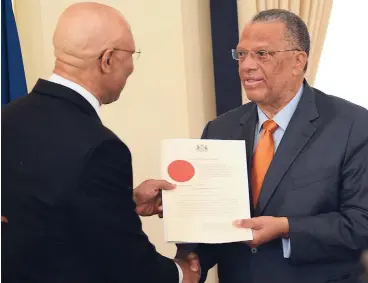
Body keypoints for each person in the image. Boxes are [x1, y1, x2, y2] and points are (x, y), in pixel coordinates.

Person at [1, 3, 199, 283]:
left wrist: (123, 202)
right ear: (107, 60)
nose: (131, 66)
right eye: (131, 55)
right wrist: (182, 273)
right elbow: (127, 264)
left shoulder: (7, 119)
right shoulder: (102, 148)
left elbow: (41, 214)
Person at [177, 9, 368, 283]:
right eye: (242, 54)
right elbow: (213, 218)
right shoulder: (220, 128)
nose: (246, 66)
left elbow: (361, 222)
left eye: (262, 54)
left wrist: (286, 228)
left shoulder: (353, 125)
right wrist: (191, 257)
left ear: (298, 61)